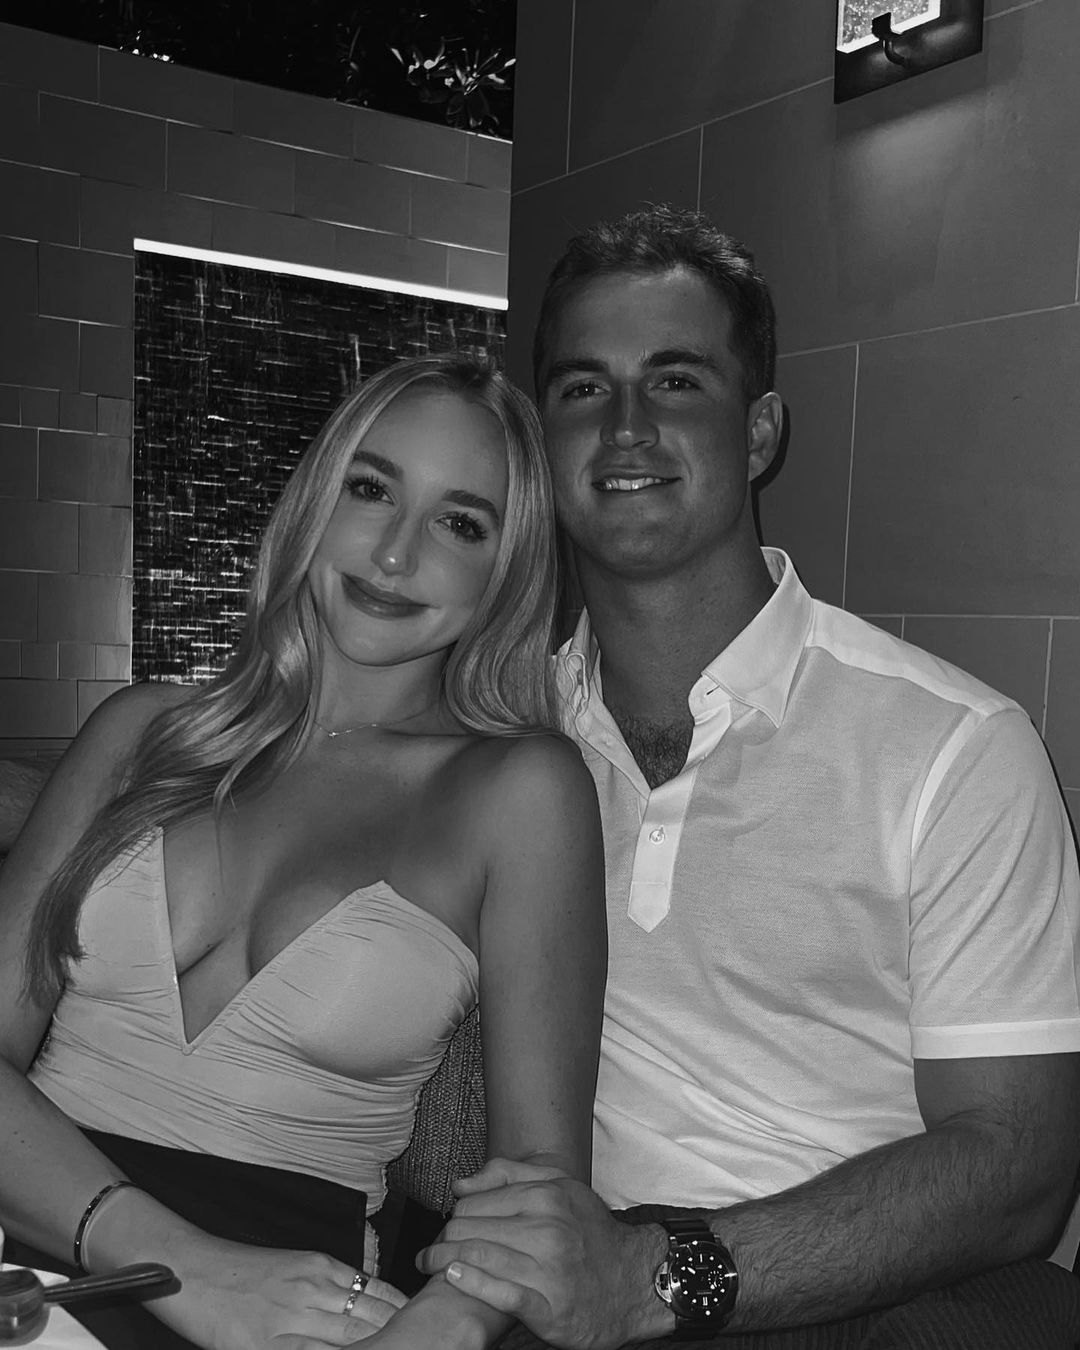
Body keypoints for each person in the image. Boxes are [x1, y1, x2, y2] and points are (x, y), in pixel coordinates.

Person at [417, 207, 1080, 1348]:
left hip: (848, 1299)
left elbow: (1017, 1166)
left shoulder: (954, 747)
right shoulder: (496, 731)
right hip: (540, 1292)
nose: (626, 427)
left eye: (676, 382)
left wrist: (654, 1277)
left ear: (760, 429)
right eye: (583, 388)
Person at [0, 353, 606, 1350]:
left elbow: (537, 1183)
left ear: (509, 568)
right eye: (372, 490)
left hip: (299, 1313)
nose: (396, 554)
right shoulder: (140, 734)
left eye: (461, 523)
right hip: (34, 1255)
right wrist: (180, 1267)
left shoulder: (521, 791)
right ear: (316, 500)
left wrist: (439, 1326)